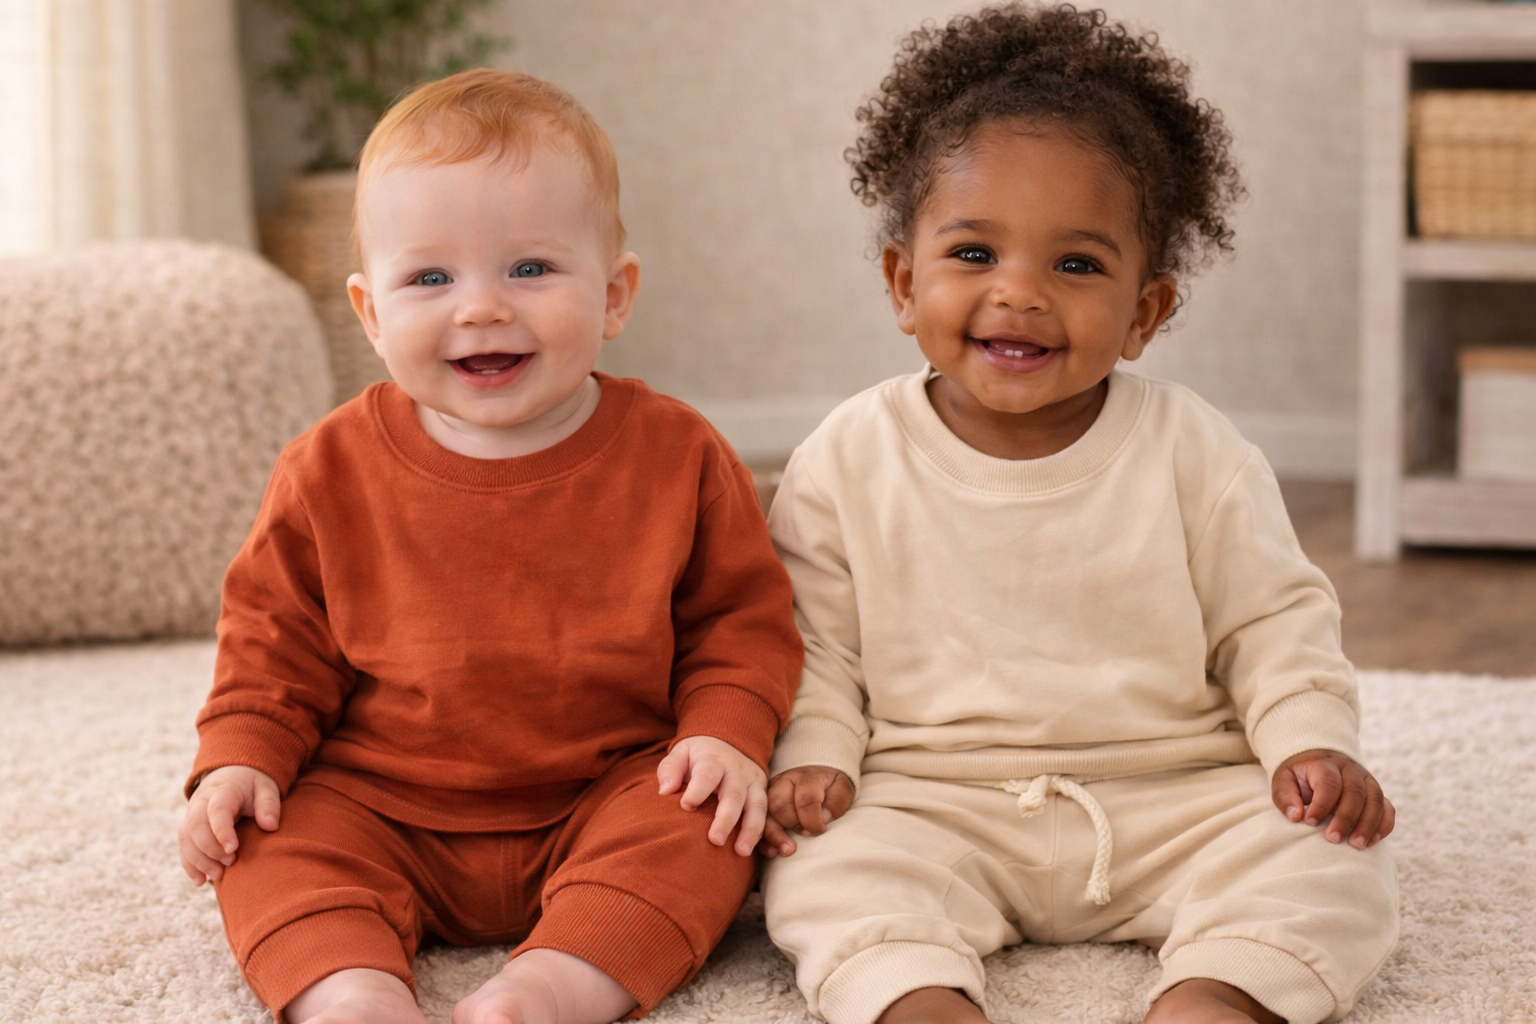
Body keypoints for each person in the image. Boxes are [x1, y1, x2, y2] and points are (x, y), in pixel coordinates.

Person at [756, 7, 1397, 1024]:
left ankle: (1215, 995)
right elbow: (816, 646)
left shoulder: (1197, 451)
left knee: (1331, 865)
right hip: (934, 795)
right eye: (972, 253)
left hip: (1178, 790)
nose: (1019, 294)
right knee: (826, 869)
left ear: (1146, 312)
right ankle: (918, 1000)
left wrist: (1308, 745)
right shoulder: (847, 455)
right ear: (901, 280)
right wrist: (817, 759)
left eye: (1078, 265)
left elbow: (1272, 623)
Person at [176, 68, 802, 1024]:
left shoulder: (678, 454)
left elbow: (742, 620)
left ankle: (550, 988)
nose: (480, 308)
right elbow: (273, 639)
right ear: (371, 312)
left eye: (529, 269)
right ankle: (351, 993)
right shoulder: (327, 468)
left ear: (615, 294)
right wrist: (242, 756)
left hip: (604, 789)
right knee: (262, 835)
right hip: (379, 797)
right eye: (430, 278)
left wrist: (725, 731)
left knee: (709, 822)